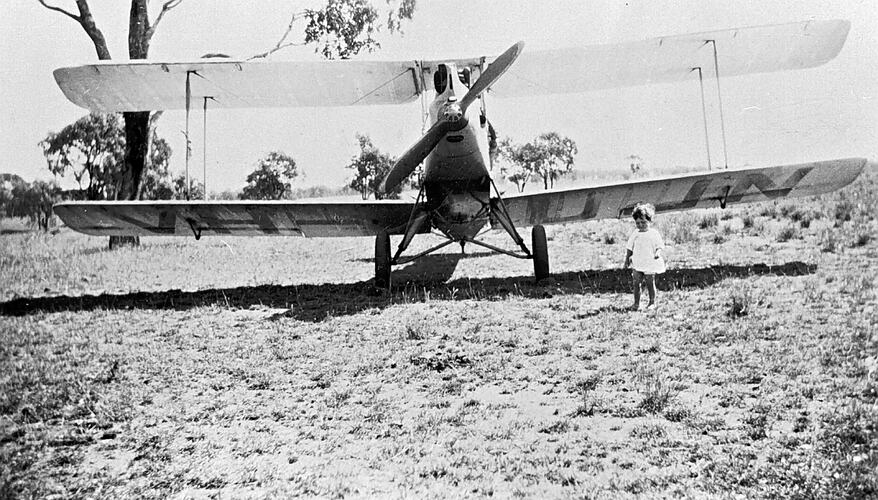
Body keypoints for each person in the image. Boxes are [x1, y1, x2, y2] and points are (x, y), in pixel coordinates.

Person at [624, 203, 665, 311]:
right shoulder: (635, 234)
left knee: (649, 282)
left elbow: (659, 246)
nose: (641, 225)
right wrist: (626, 260)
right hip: (637, 261)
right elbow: (629, 247)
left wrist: (657, 253)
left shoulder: (654, 233)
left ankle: (652, 302)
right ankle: (636, 303)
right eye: (638, 223)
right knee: (636, 282)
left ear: (649, 221)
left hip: (650, 262)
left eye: (643, 222)